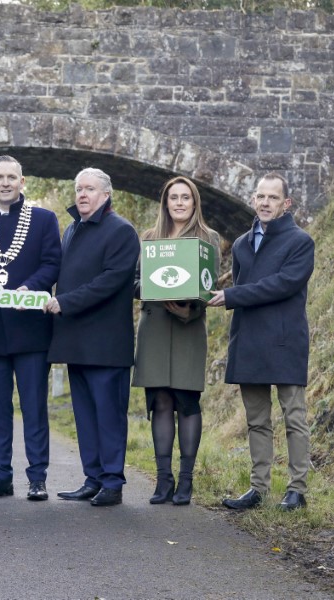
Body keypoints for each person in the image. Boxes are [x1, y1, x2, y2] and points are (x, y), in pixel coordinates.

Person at [208, 172, 314, 512]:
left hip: (285, 341)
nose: (265, 202)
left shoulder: (301, 242)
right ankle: (258, 489)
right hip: (249, 340)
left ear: (286, 203)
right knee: (256, 420)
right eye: (260, 197)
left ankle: (296, 491)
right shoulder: (240, 244)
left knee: (294, 417)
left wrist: (233, 294)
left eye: (272, 197)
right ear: (254, 200)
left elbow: (282, 285)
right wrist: (234, 295)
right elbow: (247, 291)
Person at [44, 168, 140, 507]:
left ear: (106, 194)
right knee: (84, 415)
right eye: (78, 189)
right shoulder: (72, 228)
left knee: (109, 415)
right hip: (76, 340)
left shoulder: (122, 231)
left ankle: (112, 482)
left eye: (89, 189)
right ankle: (93, 477)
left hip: (107, 344)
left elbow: (111, 281)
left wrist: (65, 302)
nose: (82, 194)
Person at [0, 155, 61, 501]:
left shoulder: (42, 220)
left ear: (22, 182)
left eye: (12, 177)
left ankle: (37, 477)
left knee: (34, 406)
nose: (5, 183)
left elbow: (52, 263)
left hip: (31, 329)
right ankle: (1, 475)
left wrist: (31, 287)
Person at [132, 176, 221, 506]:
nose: (180, 202)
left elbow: (209, 286)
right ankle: (163, 480)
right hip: (154, 328)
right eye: (174, 197)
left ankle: (186, 480)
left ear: (195, 203)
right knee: (161, 403)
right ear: (166, 203)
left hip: (188, 327)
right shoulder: (149, 238)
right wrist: (151, 289)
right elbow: (135, 282)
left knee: (186, 401)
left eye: (186, 197)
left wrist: (187, 305)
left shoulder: (207, 238)